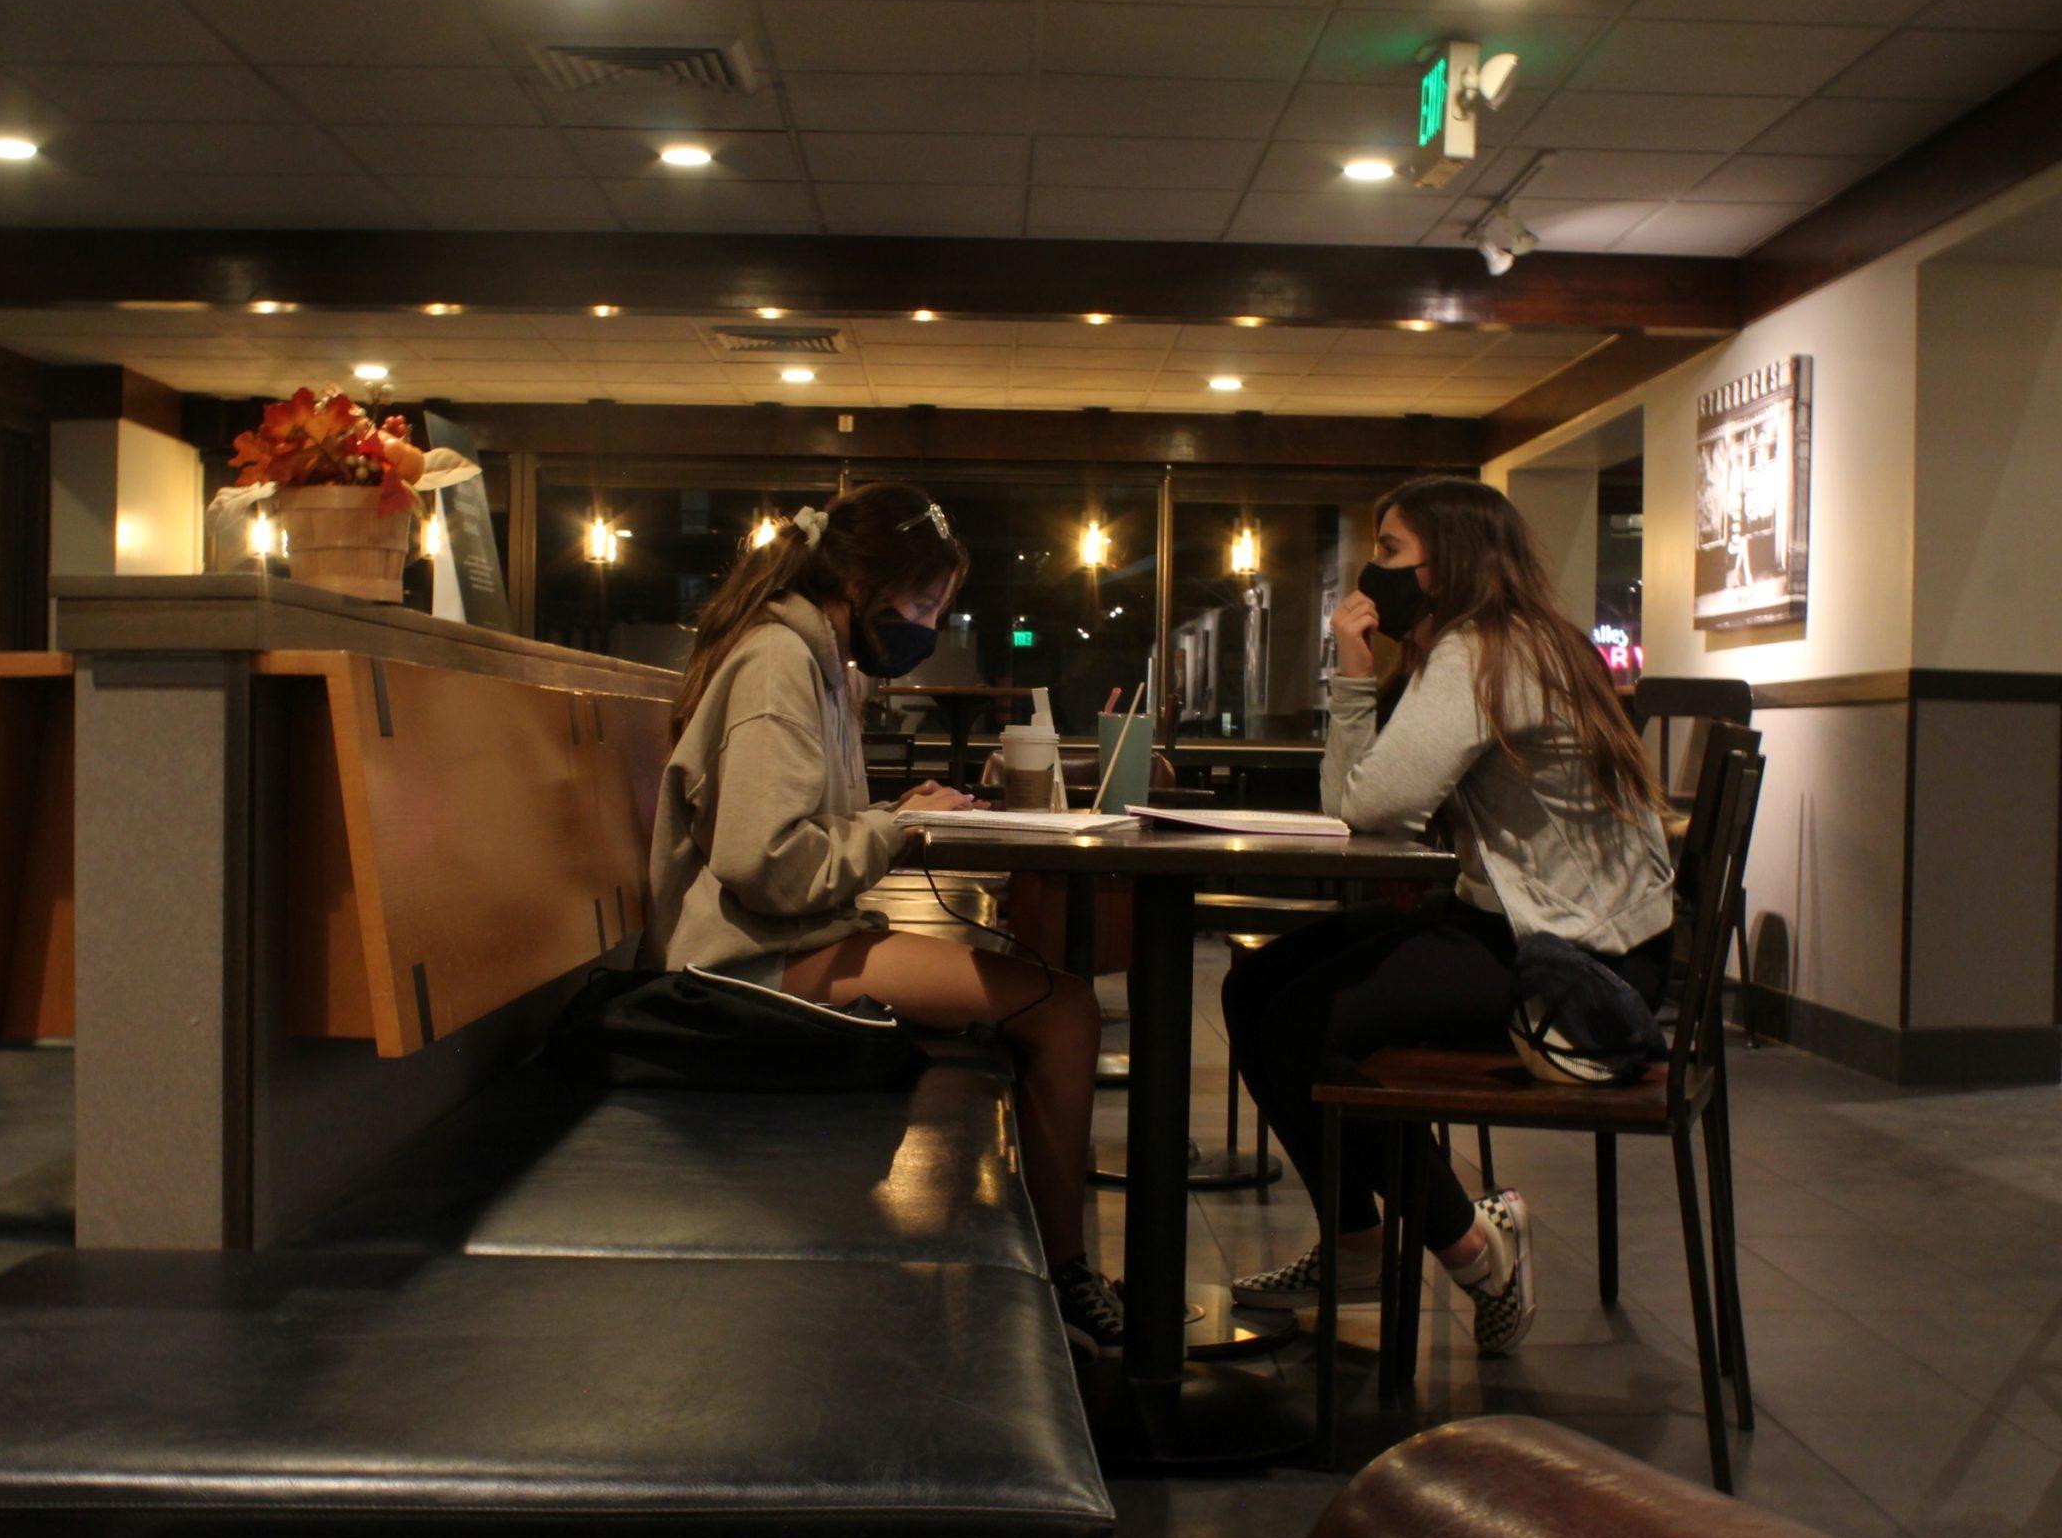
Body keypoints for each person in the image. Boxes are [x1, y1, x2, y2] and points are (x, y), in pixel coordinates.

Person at [648, 480, 1122, 1355]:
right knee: (1063, 1010)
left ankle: (1054, 1268)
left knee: (1042, 999)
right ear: (860, 583)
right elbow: (768, 863)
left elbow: (801, 845)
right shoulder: (777, 664)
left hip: (792, 938)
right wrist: (896, 826)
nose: (929, 628)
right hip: (739, 967)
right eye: (923, 601)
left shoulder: (823, 665)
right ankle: (1061, 1279)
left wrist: (893, 819)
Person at [1225, 476, 1675, 1354]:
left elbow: (1366, 804)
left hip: (1577, 967)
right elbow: (1367, 806)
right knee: (1256, 987)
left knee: (1307, 1022)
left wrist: (1352, 677)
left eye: (1391, 550)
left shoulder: (1484, 651)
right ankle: (1356, 1245)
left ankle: (1475, 1245)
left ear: (1450, 561)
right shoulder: (1526, 641)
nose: (1373, 570)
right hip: (1557, 933)